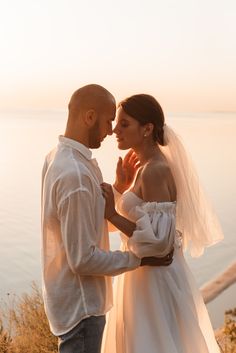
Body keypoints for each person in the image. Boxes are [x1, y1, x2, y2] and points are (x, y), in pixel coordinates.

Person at [41, 84, 173, 353]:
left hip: (78, 306)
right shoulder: (74, 174)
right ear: (89, 117)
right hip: (83, 310)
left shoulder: (58, 158)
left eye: (118, 123)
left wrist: (118, 190)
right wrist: (139, 259)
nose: (111, 130)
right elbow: (83, 259)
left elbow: (90, 222)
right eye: (109, 120)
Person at [101, 94, 224, 353]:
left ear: (147, 129)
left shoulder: (156, 170)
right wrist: (121, 187)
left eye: (124, 124)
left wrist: (113, 213)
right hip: (141, 277)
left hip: (154, 281)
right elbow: (135, 225)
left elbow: (159, 243)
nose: (114, 130)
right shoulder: (144, 167)